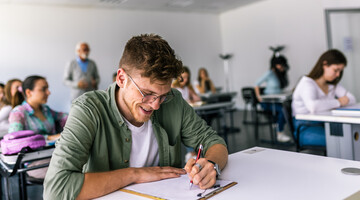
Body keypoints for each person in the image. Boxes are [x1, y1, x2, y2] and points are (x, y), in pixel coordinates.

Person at [44, 34, 228, 199]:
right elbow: (56, 189)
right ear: (122, 79)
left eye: (162, 95)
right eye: (147, 93)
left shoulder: (174, 101)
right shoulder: (88, 110)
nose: (155, 105)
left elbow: (213, 141)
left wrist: (211, 164)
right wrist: (135, 174)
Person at [292, 49, 356, 146]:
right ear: (325, 65)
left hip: (325, 125)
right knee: (346, 142)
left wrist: (328, 104)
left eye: (340, 71)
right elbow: (313, 107)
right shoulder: (307, 83)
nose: (338, 75)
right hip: (305, 129)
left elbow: (352, 99)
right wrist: (338, 102)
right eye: (336, 70)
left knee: (353, 138)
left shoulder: (332, 85)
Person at [8, 75, 68, 179]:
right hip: (33, 162)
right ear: (28, 92)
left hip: (54, 155)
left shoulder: (45, 109)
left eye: (48, 88)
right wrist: (50, 138)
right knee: (72, 169)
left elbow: (64, 117)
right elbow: (15, 141)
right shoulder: (18, 113)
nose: (48, 92)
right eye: (43, 89)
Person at [254, 54, 291, 142]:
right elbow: (256, 84)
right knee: (283, 110)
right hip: (267, 102)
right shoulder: (269, 73)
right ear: (276, 65)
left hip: (276, 101)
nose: (282, 67)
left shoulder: (279, 75)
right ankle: (280, 133)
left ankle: (278, 124)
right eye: (281, 65)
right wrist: (258, 96)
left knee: (289, 109)